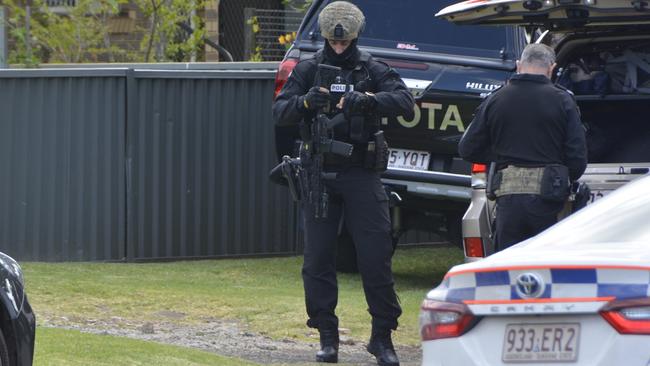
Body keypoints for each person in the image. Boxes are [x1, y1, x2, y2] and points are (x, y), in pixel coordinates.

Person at [272, 2, 414, 365]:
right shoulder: (306, 69)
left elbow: (404, 102)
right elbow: (280, 112)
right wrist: (305, 103)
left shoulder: (372, 69)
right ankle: (327, 336)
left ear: (354, 37)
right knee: (318, 258)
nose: (338, 47)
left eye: (344, 42)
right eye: (333, 42)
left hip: (361, 173)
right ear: (324, 37)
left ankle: (382, 337)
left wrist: (368, 100)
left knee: (375, 255)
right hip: (319, 171)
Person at [458, 43, 587, 252]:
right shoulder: (563, 100)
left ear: (519, 65)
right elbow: (577, 159)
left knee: (508, 266)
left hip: (508, 201)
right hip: (548, 201)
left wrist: (500, 157)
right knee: (544, 264)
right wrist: (559, 172)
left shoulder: (496, 99)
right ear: (551, 68)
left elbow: (467, 149)